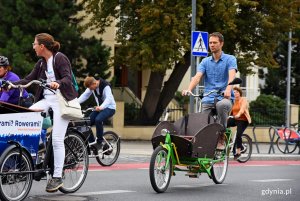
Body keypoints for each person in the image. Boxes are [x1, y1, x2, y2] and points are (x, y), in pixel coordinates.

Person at [13, 33, 77, 192]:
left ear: (42, 46)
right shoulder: (41, 63)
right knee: (26, 116)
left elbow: (68, 78)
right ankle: (39, 148)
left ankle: (57, 177)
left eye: (34, 44)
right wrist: (9, 84)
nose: (33, 46)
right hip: (47, 99)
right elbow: (28, 79)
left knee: (56, 139)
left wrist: (58, 83)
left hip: (62, 100)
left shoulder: (60, 58)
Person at [182, 32, 238, 149]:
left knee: (222, 105)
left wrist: (228, 89)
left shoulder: (230, 59)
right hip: (209, 97)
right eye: (210, 43)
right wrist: (189, 89)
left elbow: (231, 75)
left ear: (221, 44)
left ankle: (222, 134)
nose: (212, 45)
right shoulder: (205, 61)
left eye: (215, 43)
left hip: (225, 97)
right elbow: (197, 77)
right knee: (203, 121)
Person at [78, 76, 116, 152]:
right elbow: (85, 95)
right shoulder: (92, 86)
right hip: (100, 108)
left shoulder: (106, 86)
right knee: (86, 123)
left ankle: (99, 142)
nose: (91, 90)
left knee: (98, 119)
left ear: (94, 83)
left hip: (110, 108)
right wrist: (75, 103)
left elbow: (109, 99)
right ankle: (92, 143)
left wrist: (101, 107)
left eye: (91, 88)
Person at [227, 87, 251, 160]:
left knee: (238, 135)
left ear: (240, 93)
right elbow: (230, 110)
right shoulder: (233, 101)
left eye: (237, 92)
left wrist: (239, 114)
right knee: (224, 125)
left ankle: (238, 152)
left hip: (243, 120)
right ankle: (228, 140)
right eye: (234, 92)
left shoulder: (243, 100)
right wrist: (227, 117)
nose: (235, 93)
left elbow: (242, 108)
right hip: (235, 119)